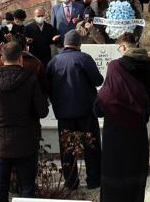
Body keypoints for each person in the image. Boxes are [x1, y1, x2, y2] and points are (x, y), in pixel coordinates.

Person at [0, 41, 49, 202]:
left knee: (0, 190)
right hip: (27, 141)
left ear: (1, 58)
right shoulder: (30, 80)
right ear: (21, 58)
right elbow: (43, 111)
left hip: (1, 142)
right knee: (27, 189)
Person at [96, 32, 150, 202]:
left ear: (123, 47)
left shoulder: (116, 66)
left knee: (115, 167)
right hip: (137, 122)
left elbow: (106, 97)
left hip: (116, 125)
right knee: (134, 164)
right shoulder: (148, 63)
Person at [46, 30, 104, 190]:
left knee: (68, 149)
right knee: (90, 146)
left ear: (65, 44)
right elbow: (98, 81)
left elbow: (47, 85)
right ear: (79, 44)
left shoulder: (54, 61)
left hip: (64, 113)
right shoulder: (84, 58)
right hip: (86, 112)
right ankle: (94, 180)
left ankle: (71, 182)